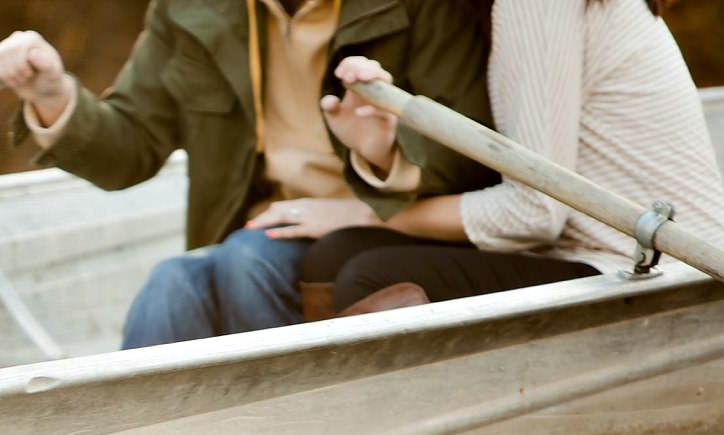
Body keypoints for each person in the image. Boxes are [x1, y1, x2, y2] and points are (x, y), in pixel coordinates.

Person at [0, 1, 499, 348]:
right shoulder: (190, 10)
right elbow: (130, 150)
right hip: (261, 230)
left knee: (248, 257)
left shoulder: (426, 6)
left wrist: (385, 153)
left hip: (401, 227)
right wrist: (52, 95)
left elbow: (471, 155)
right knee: (170, 284)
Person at [291, 0, 724, 316]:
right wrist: (382, 151)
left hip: (660, 270)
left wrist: (367, 214)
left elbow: (533, 211)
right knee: (334, 255)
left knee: (371, 274)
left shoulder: (535, 6)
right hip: (580, 250)